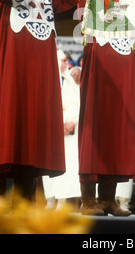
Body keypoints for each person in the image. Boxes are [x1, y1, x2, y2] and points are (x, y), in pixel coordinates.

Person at [0, 0, 80, 201]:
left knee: (31, 135)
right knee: (8, 128)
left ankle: (25, 204)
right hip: (13, 68)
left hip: (40, 71)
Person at [77, 0, 135, 216]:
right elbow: (85, 18)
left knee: (115, 137)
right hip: (99, 79)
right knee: (94, 138)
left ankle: (107, 199)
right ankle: (88, 200)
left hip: (124, 80)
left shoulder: (133, 5)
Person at [43, 50, 81, 209]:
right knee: (49, 165)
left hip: (68, 131)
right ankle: (50, 199)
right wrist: (59, 122)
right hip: (51, 130)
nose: (66, 64)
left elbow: (77, 105)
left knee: (67, 164)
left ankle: (62, 201)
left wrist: (70, 122)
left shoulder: (70, 82)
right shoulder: (45, 79)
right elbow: (44, 106)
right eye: (63, 61)